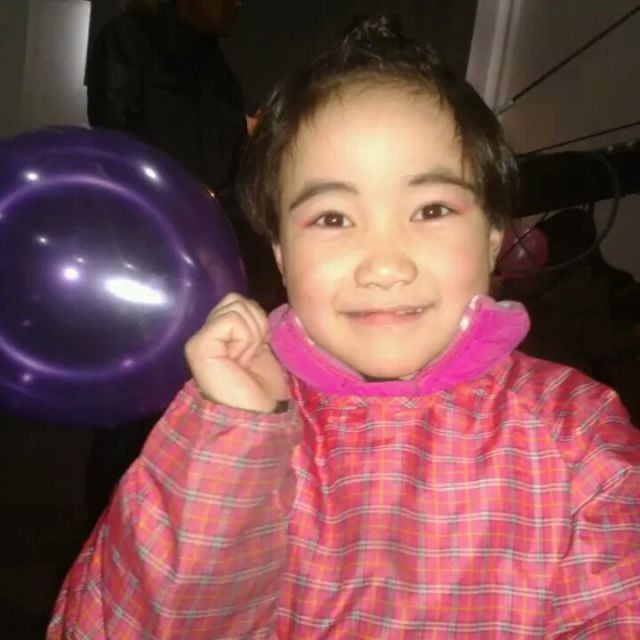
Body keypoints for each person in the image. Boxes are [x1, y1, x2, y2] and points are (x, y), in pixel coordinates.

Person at [49, 16, 640, 638]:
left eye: (431, 209)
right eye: (332, 218)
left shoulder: (577, 432)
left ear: (494, 236)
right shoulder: (221, 424)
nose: (384, 265)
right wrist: (232, 443)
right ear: (280, 253)